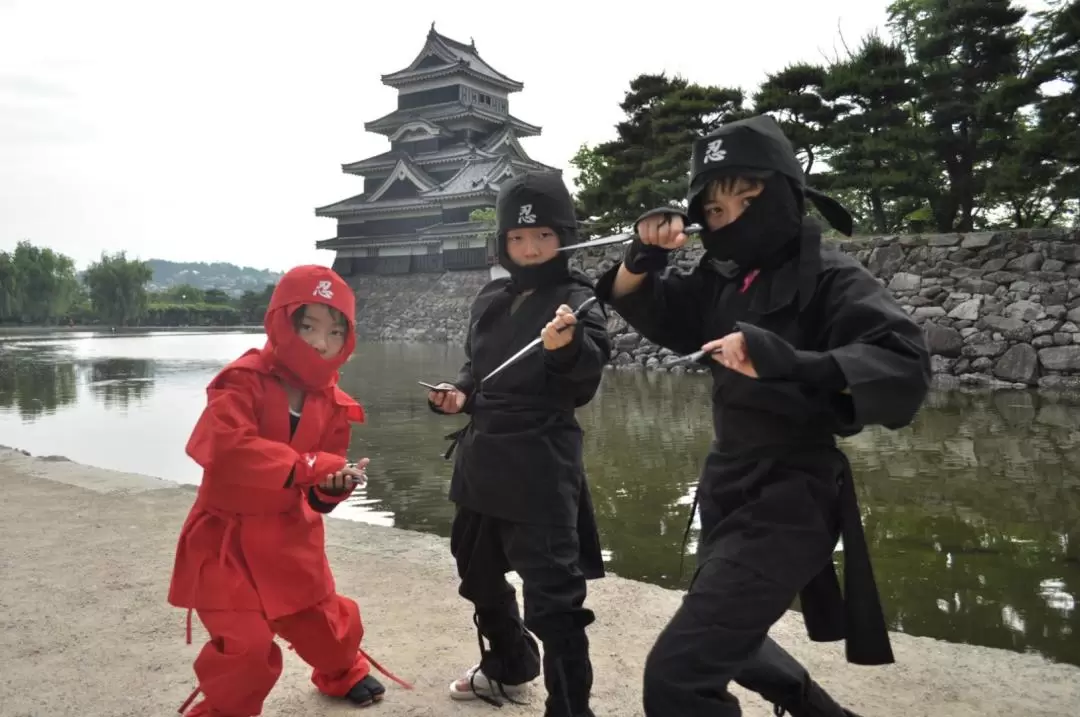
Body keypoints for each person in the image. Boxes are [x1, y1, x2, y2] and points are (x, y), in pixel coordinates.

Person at [593, 114, 932, 717]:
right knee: (735, 641)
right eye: (713, 212)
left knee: (678, 677)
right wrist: (642, 256)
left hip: (793, 496)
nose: (724, 223)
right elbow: (649, 304)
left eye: (741, 204)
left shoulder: (833, 278)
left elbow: (903, 365)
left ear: (776, 195)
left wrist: (789, 361)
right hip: (728, 481)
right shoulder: (723, 276)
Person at [168, 265, 410, 716]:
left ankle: (343, 671)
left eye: (335, 331)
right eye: (308, 325)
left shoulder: (334, 401)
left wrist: (332, 488)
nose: (321, 342)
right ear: (282, 321)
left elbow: (317, 489)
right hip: (226, 539)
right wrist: (307, 466)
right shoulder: (239, 381)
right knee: (245, 645)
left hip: (290, 534)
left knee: (325, 624)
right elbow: (227, 447)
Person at [427, 171, 612, 717]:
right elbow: (475, 368)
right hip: (481, 462)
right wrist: (458, 394)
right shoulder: (490, 296)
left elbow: (584, 382)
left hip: (540, 466)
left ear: (566, 238)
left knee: (555, 604)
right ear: (503, 242)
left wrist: (565, 348)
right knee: (475, 571)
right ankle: (509, 667)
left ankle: (571, 709)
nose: (529, 248)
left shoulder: (578, 302)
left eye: (543, 237)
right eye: (517, 238)